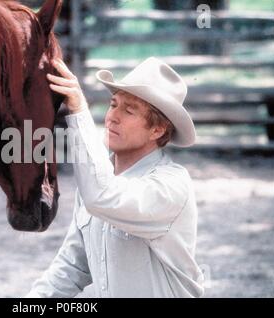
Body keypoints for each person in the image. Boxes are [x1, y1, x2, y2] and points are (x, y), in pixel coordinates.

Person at [26, 57, 205, 298]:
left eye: (129, 110)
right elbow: (72, 265)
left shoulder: (172, 185)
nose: (112, 116)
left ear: (157, 130)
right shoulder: (97, 178)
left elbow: (102, 196)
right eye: (113, 104)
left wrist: (79, 109)